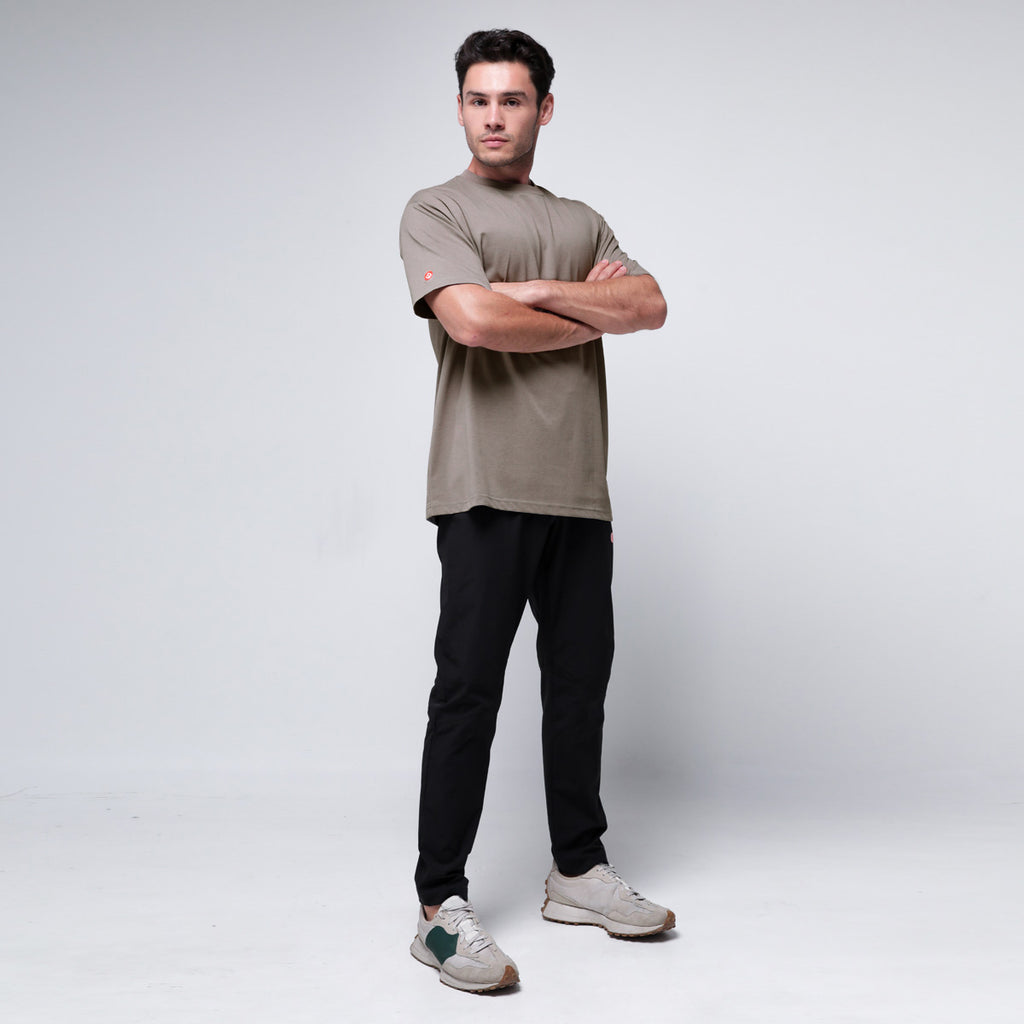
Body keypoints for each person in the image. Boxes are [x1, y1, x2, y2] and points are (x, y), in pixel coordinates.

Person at [399, 28, 672, 994]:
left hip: (578, 492)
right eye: (478, 99)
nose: (493, 116)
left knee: (580, 685)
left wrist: (538, 292)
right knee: (468, 691)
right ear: (460, 107)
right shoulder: (436, 210)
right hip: (483, 486)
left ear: (543, 110)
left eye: (512, 100)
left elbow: (650, 306)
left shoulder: (580, 220)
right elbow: (472, 320)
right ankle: (438, 910)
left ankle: (576, 873)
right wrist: (584, 313)